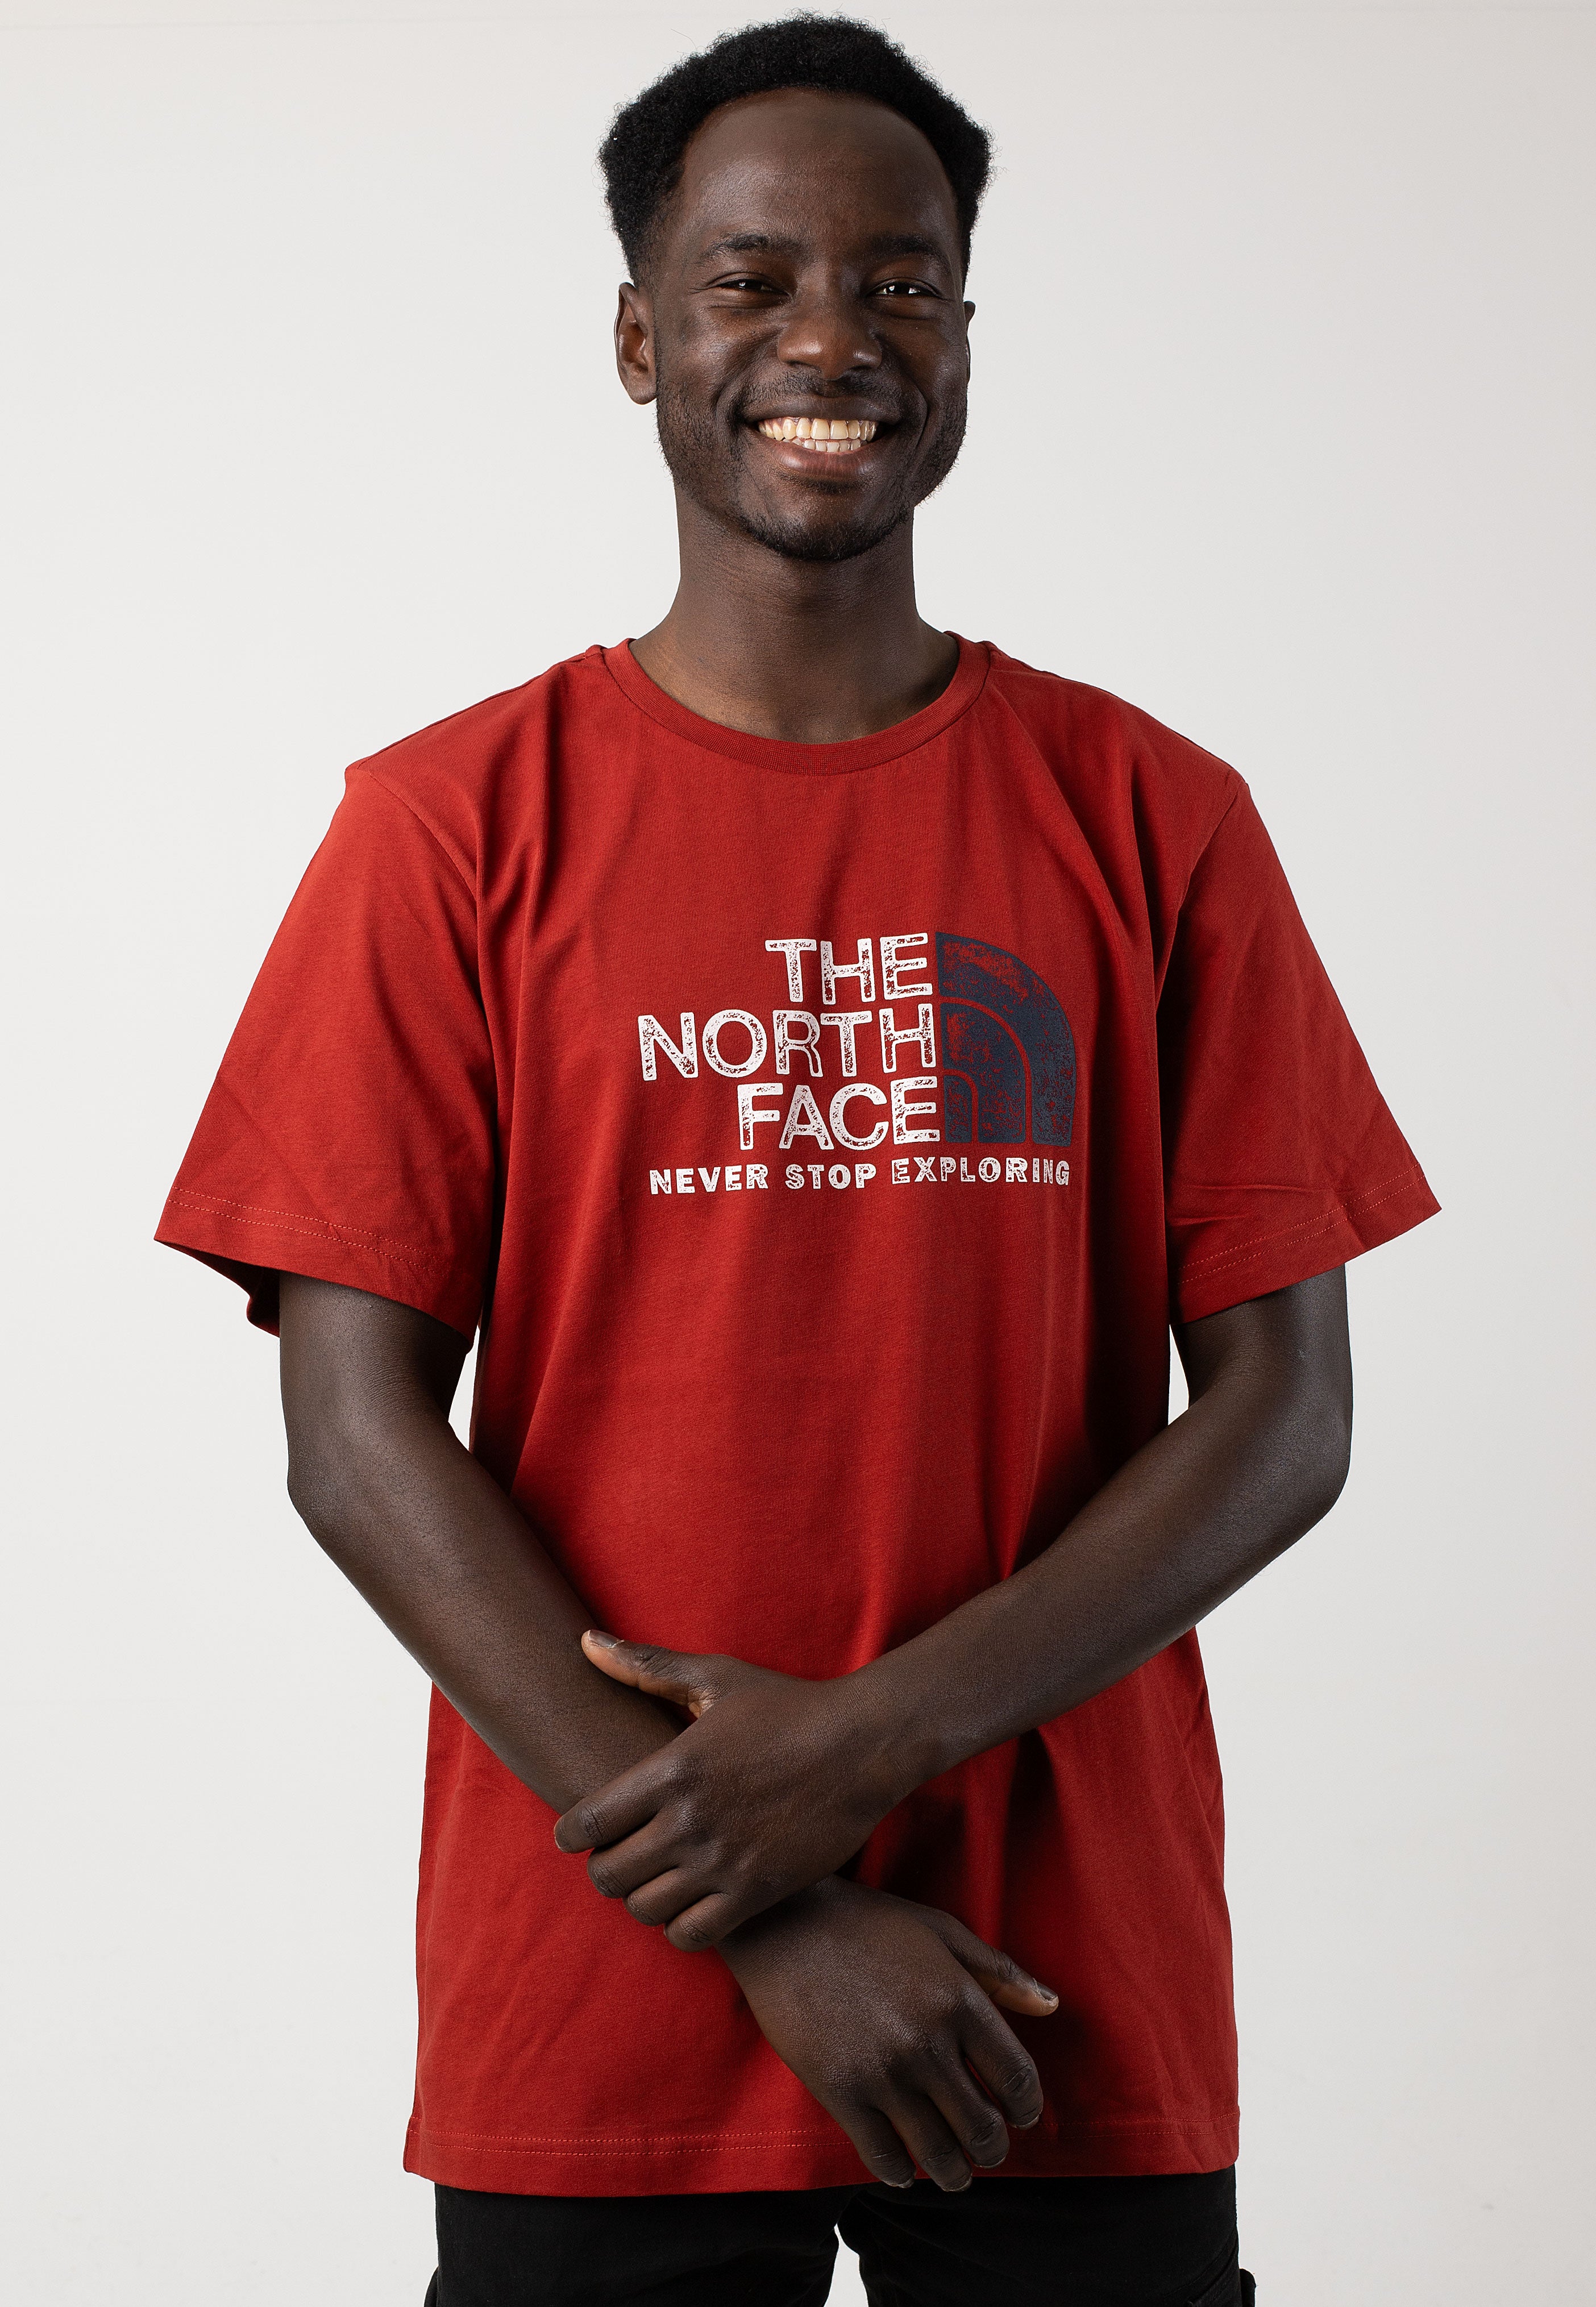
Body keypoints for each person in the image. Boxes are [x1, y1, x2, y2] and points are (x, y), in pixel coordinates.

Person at [157, 17, 1438, 2305]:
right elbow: (352, 1438)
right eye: (751, 280)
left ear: (967, 338)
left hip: (1060, 1994)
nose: (831, 339)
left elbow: (1287, 1413)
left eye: (901, 282)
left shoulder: (1155, 818)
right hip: (603, 1989)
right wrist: (766, 1896)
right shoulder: (446, 829)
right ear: (639, 336)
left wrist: (850, 1749)